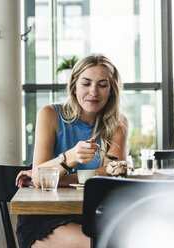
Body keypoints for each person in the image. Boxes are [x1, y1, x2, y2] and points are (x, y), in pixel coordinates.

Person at [16, 53, 129, 248]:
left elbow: (115, 174)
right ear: (74, 86)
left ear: (111, 90)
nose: (94, 92)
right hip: (45, 218)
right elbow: (38, 179)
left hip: (93, 213)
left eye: (102, 85)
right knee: (105, 244)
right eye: (86, 83)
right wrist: (69, 157)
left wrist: (56, 177)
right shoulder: (50, 114)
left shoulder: (118, 123)